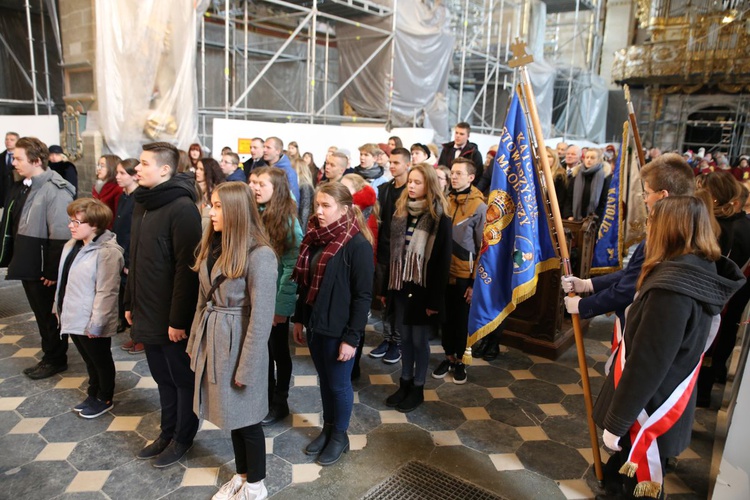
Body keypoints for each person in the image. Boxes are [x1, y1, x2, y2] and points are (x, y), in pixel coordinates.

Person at [593, 196, 744, 500]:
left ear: (668, 229)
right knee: (622, 476)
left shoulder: (672, 290)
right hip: (664, 395)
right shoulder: (698, 268)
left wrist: (618, 422)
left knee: (634, 486)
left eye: (651, 220)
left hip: (648, 410)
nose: (647, 226)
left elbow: (648, 362)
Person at [188, 182, 277, 500]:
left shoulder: (260, 255)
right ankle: (242, 475)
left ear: (237, 210)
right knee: (232, 418)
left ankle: (256, 486)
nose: (211, 211)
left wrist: (247, 367)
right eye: (211, 204)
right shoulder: (213, 245)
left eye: (218, 205)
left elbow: (262, 319)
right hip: (215, 337)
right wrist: (194, 345)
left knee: (248, 418)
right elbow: (202, 299)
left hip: (239, 342)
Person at [124, 142, 202, 468]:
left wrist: (178, 320)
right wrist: (129, 301)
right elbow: (135, 258)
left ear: (165, 169)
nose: (136, 170)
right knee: (161, 377)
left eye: (143, 164)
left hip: (171, 317)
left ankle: (183, 436)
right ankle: (166, 431)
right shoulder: (143, 203)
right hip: (146, 308)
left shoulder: (182, 208)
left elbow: (187, 271)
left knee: (181, 380)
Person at [292, 182, 373, 466]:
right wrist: (300, 319)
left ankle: (340, 435)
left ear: (345, 209)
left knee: (339, 385)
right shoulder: (316, 237)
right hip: (315, 323)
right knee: (325, 382)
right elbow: (305, 283)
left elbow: (363, 297)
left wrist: (352, 338)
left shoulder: (357, 245)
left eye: (326, 206)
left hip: (339, 330)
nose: (319, 211)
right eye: (317, 205)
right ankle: (328, 429)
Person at [0, 137, 75, 379]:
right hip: (30, 259)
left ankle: (55, 358)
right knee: (41, 314)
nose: (14, 163)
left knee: (48, 315)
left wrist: (53, 272)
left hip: (44, 266)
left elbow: (61, 234)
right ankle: (50, 353)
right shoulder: (26, 184)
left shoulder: (55, 188)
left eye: (19, 158)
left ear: (36, 160)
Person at [385, 163, 452, 413]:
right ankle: (404, 382)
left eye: (417, 182)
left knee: (418, 340)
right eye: (410, 181)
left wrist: (434, 302)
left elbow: (442, 264)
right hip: (402, 285)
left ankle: (418, 387)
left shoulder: (439, 218)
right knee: (404, 338)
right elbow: (393, 253)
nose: (411, 186)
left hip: (423, 290)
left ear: (429, 186)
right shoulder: (401, 212)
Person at [55, 198, 123, 419]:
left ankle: (105, 397)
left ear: (94, 224)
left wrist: (97, 323)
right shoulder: (71, 246)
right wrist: (57, 306)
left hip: (91, 318)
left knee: (100, 360)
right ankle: (93, 392)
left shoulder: (108, 252)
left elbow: (107, 292)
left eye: (77, 222)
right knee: (88, 359)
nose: (71, 226)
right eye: (70, 221)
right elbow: (64, 280)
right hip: (72, 314)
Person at [250, 167, 303, 426]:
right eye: (255, 183)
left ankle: (279, 401)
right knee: (261, 352)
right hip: (255, 296)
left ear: (277, 189)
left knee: (277, 352)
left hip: (273, 301)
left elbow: (293, 268)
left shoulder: (288, 222)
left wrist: (280, 308)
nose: (256, 188)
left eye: (262, 184)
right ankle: (264, 396)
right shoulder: (256, 214)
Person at [694, 172, 750, 406]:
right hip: (730, 300)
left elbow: (717, 270)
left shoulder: (723, 228)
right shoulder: (738, 222)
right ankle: (704, 387)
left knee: (710, 346)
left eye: (700, 190)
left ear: (714, 198)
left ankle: (701, 391)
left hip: (717, 300)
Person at [432, 158, 486, 385]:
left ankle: (461, 361)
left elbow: (483, 246)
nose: (453, 177)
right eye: (452, 173)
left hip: (465, 274)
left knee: (461, 320)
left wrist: (475, 283)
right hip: (445, 272)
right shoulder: (445, 200)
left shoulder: (479, 206)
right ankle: (448, 357)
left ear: (471, 177)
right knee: (446, 318)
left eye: (459, 173)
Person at [370, 148, 410, 364]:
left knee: (399, 301)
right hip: (384, 251)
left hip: (402, 256)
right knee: (385, 299)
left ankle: (398, 342)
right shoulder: (385, 188)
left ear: (407, 164)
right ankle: (387, 338)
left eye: (396, 162)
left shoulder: (410, 191)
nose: (391, 165)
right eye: (390, 162)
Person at [341, 173, 379, 380]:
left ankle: (353, 365)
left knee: (356, 317)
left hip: (360, 270)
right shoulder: (352, 209)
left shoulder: (361, 211)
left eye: (346, 188)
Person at [112, 158, 141, 346]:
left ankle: (139, 335)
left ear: (134, 176)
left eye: (122, 173)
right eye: (117, 172)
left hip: (132, 254)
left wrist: (130, 261)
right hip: (120, 250)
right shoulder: (124, 196)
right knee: (124, 293)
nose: (117, 176)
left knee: (136, 296)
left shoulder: (139, 198)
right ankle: (131, 329)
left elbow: (136, 231)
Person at [563, 147, 611, 224]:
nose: (589, 160)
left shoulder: (605, 177)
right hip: (575, 221)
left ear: (599, 160)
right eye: (587, 157)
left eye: (592, 158)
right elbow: (568, 199)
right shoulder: (576, 175)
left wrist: (595, 218)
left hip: (595, 222)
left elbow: (604, 201)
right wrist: (569, 215)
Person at [262, 137, 300, 202]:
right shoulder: (262, 168)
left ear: (278, 151)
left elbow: (293, 199)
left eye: (268, 147)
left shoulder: (288, 172)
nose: (264, 150)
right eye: (264, 147)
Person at [196, 158, 226, 230]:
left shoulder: (219, 190)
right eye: (197, 168)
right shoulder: (194, 187)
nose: (197, 172)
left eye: (201, 169)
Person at [93, 155, 123, 226]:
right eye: (98, 165)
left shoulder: (118, 188)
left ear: (112, 167)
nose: (98, 169)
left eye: (102, 166)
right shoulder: (98, 186)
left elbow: (117, 215)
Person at [292, 157, 314, 228]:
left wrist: (302, 231)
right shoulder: (300, 184)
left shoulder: (305, 185)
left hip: (301, 225)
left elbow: (305, 210)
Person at [0, 131, 19, 210]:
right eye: (6, 139)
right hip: (2, 197)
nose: (8, 142)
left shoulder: (22, 157)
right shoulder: (1, 157)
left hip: (17, 196)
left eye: (12, 140)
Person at [546, 145, 567, 211]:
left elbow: (560, 199)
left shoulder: (560, 175)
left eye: (549, 156)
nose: (546, 158)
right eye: (544, 156)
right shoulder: (537, 173)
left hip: (552, 211)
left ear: (555, 158)